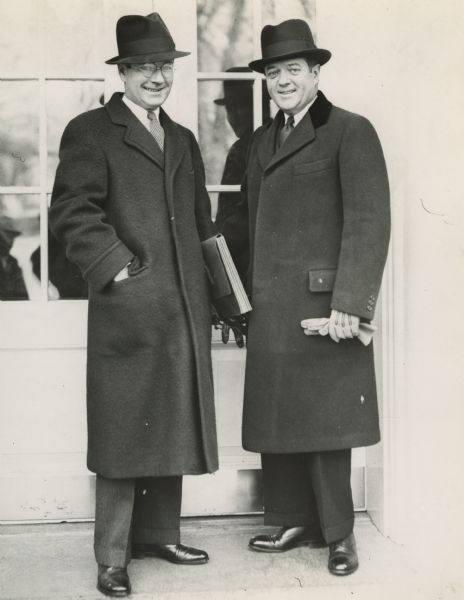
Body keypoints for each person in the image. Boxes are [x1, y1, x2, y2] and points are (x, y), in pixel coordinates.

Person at [49, 13, 218, 597]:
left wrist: (224, 301)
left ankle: (159, 534)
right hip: (128, 308)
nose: (156, 77)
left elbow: (201, 225)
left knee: (170, 420)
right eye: (144, 66)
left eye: (164, 67)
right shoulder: (90, 130)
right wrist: (120, 268)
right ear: (122, 71)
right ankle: (113, 555)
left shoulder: (184, 139)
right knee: (124, 435)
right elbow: (74, 212)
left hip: (182, 311)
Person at [222, 19, 390, 576]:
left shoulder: (350, 130)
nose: (283, 80)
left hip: (324, 305)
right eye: (273, 72)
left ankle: (339, 534)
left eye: (293, 69)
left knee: (325, 422)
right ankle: (292, 518)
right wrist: (229, 296)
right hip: (270, 307)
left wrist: (351, 301)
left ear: (316, 73)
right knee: (280, 417)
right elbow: (242, 226)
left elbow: (368, 222)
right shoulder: (259, 144)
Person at [214, 67, 270, 282]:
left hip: (241, 268)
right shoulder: (282, 139)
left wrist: (214, 257)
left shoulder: (242, 150)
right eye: (231, 108)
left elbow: (229, 217)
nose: (234, 116)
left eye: (240, 107)